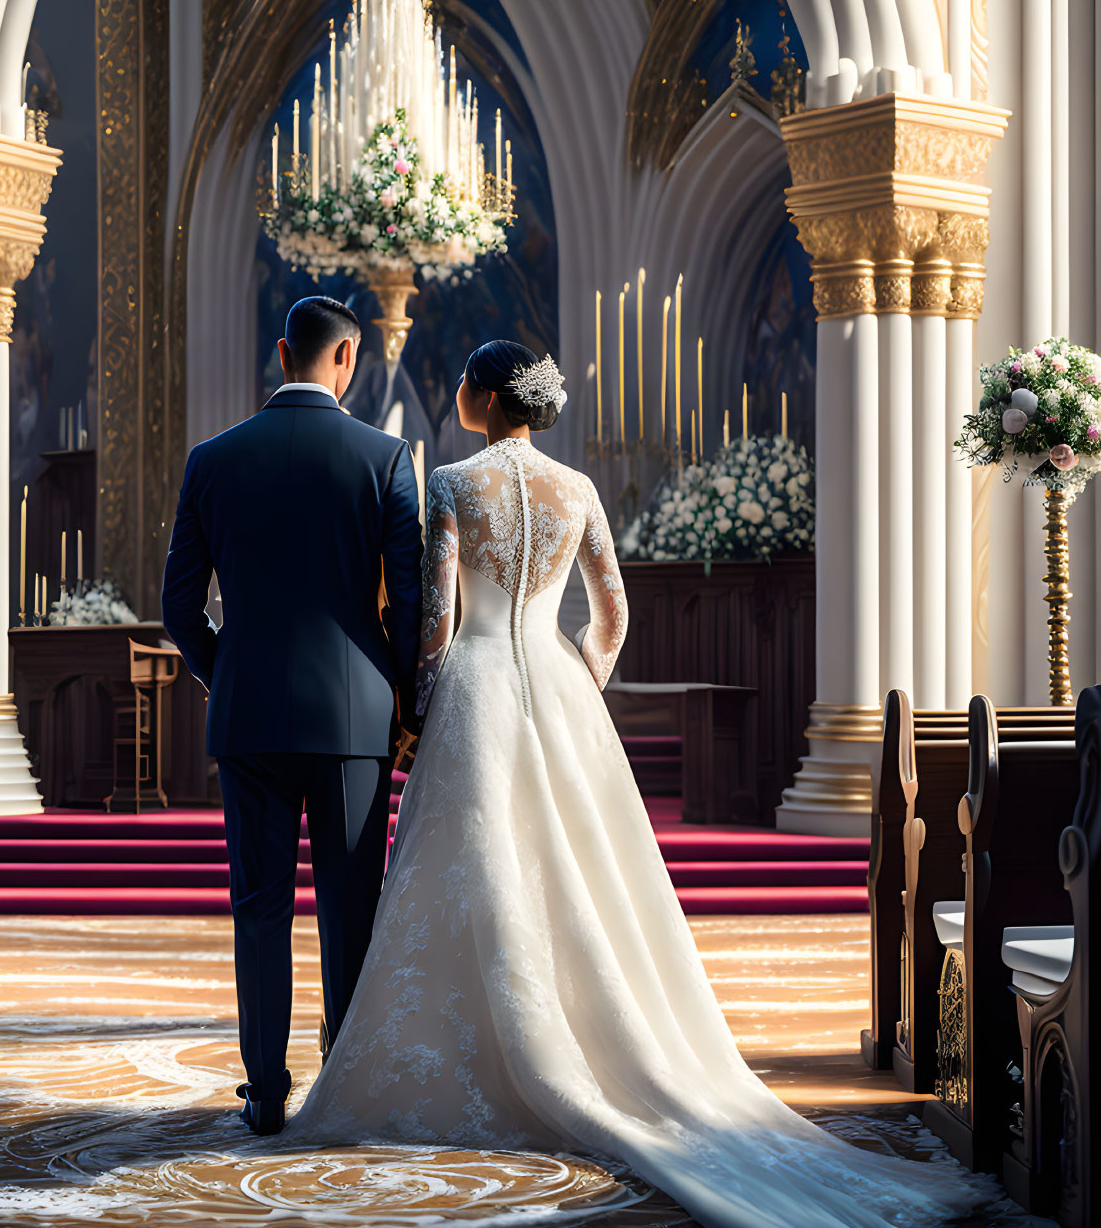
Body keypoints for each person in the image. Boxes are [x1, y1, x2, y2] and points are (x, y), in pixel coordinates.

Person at [289, 340, 995, 1227]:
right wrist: (580, 679)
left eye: (465, 381)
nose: (457, 393)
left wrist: (417, 712)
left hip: (473, 684)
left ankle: (468, 1051)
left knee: (472, 861)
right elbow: (614, 611)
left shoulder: (451, 484)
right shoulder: (575, 488)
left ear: (483, 395)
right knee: (568, 866)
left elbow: (434, 621)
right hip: (553, 679)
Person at [161, 296, 424, 1137]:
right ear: (345, 359)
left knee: (259, 906)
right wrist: (405, 703)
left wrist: (224, 669)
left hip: (249, 716)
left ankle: (265, 1090)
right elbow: (411, 606)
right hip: (354, 720)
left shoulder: (211, 459)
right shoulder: (385, 459)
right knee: (350, 907)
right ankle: (343, 1081)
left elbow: (177, 608)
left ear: (283, 353)